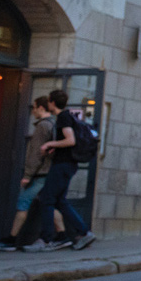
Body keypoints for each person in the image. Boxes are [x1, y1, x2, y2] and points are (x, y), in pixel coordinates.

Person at [13, 90, 95, 252]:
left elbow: (70, 140)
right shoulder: (67, 117)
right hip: (67, 164)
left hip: (62, 165)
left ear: (51, 102)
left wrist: (50, 145)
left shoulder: (64, 117)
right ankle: (84, 232)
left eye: (49, 101)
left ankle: (46, 239)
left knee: (47, 199)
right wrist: (54, 149)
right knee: (59, 201)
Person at [0, 98, 72, 251]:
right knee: (50, 203)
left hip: (39, 173)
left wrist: (28, 175)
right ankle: (62, 235)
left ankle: (12, 239)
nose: (33, 111)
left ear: (41, 108)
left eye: (34, 108)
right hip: (49, 172)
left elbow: (35, 154)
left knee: (23, 203)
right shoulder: (54, 124)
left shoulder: (43, 126)